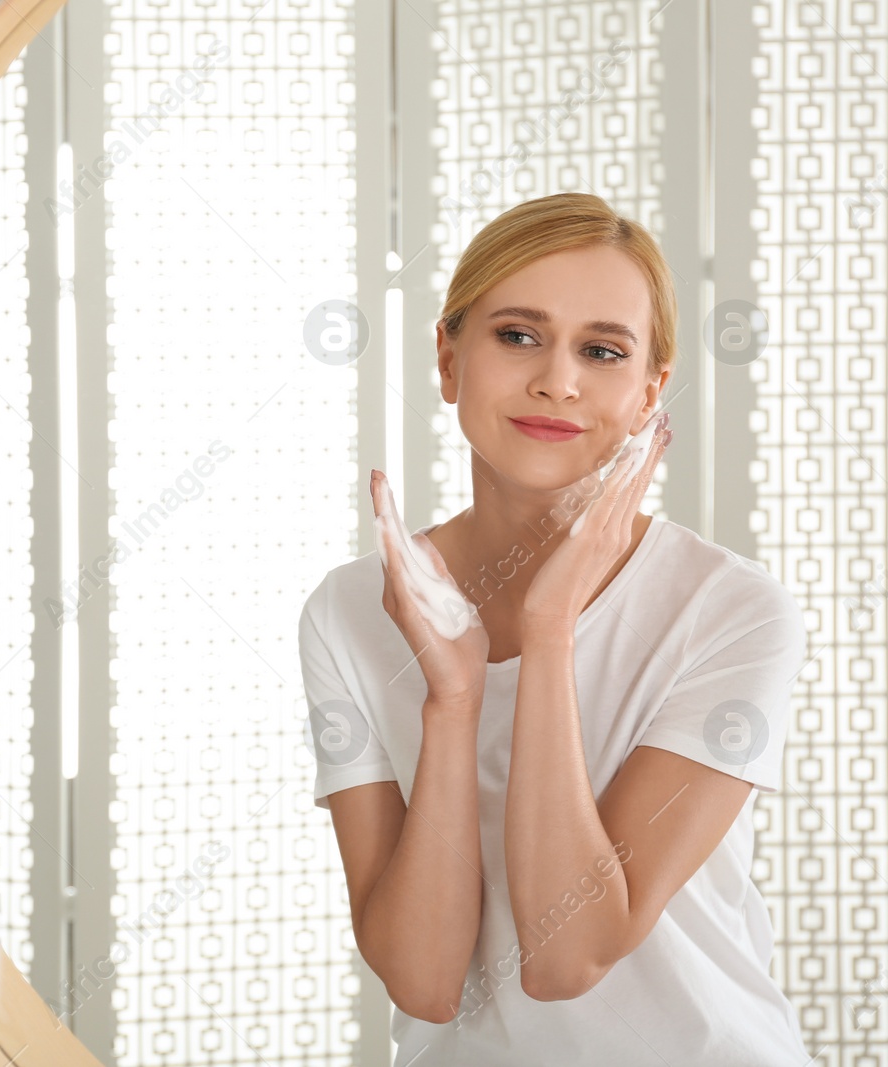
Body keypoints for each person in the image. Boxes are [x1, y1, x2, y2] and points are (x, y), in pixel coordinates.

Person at [299, 192, 813, 1065]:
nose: (558, 381)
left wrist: (547, 636)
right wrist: (453, 698)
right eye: (517, 335)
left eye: (602, 351)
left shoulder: (732, 613)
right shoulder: (353, 609)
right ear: (447, 356)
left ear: (650, 391)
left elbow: (569, 953)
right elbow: (424, 981)